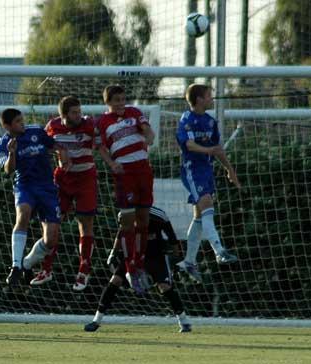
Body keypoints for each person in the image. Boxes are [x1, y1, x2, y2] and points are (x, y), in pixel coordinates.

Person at [84, 206, 192, 333]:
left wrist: (176, 260)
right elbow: (121, 233)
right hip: (132, 254)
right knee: (115, 280)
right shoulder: (126, 214)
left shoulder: (159, 216)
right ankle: (96, 320)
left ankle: (184, 321)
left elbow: (172, 237)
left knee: (164, 287)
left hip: (154, 255)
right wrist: (113, 253)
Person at [0, 108, 69, 288]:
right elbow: (8, 170)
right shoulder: (4, 143)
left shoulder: (36, 131)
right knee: (23, 214)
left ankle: (25, 264)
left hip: (47, 188)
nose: (23, 123)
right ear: (7, 126)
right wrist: (12, 153)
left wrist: (63, 157)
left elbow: (55, 146)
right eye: (18, 122)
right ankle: (15, 265)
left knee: (51, 239)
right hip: (25, 186)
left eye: (22, 120)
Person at [175, 84, 241, 282]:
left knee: (200, 215)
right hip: (192, 170)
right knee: (207, 204)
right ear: (199, 99)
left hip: (207, 171)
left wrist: (230, 169)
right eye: (209, 96)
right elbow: (188, 144)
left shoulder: (211, 122)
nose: (212, 99)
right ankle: (219, 251)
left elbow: (218, 149)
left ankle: (188, 261)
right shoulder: (187, 119)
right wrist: (208, 151)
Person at [96, 84, 155, 294]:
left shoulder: (135, 112)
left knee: (144, 218)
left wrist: (149, 134)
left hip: (144, 170)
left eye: (123, 99)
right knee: (128, 220)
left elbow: (147, 130)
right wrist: (112, 164)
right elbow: (101, 147)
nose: (121, 104)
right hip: (125, 174)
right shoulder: (102, 122)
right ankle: (130, 267)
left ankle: (139, 263)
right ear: (108, 102)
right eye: (116, 100)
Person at [38, 96, 98, 291]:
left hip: (85, 179)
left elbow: (101, 141)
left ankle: (84, 271)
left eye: (79, 111)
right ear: (63, 115)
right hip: (62, 180)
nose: (78, 115)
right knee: (52, 224)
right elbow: (44, 147)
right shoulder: (52, 126)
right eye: (74, 113)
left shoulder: (89, 125)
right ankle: (46, 269)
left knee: (85, 224)